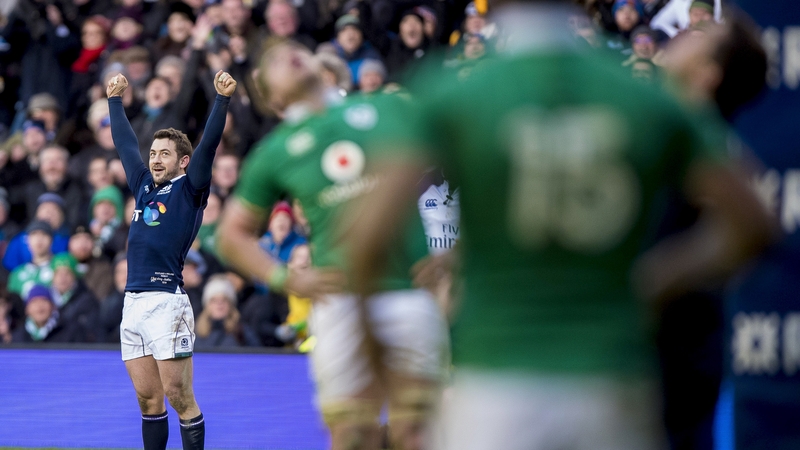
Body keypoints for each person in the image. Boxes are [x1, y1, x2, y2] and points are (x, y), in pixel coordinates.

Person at [343, 2, 777, 449]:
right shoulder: (638, 95)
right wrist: (654, 281)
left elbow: (366, 236)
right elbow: (754, 223)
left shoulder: (452, 89)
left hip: (497, 373)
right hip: (612, 372)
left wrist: (376, 363)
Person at [216, 40, 447, 450]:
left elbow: (470, 154)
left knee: (418, 432)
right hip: (338, 300)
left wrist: (456, 252)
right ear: (271, 98)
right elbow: (230, 235)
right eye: (270, 61)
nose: (286, 53)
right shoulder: (275, 153)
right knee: (351, 434)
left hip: (410, 291)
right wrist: (286, 277)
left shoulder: (386, 107)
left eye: (292, 48)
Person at [106, 67, 236, 450]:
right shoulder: (145, 186)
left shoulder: (190, 189)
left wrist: (222, 99)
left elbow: (209, 145)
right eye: (154, 153)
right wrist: (114, 100)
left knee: (178, 396)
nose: (155, 159)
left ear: (182, 161)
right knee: (148, 400)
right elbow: (125, 144)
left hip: (167, 303)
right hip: (133, 302)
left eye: (165, 153)